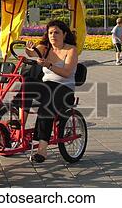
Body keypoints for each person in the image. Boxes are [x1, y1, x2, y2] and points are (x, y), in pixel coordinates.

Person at [17, 20, 78, 163]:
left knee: (47, 103)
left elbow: (67, 72)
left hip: (64, 89)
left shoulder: (71, 50)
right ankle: (19, 127)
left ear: (64, 34)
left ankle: (42, 149)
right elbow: (32, 53)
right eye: (50, 32)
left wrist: (48, 65)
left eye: (56, 32)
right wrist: (28, 48)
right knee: (28, 84)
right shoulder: (46, 48)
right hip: (47, 87)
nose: (53, 35)